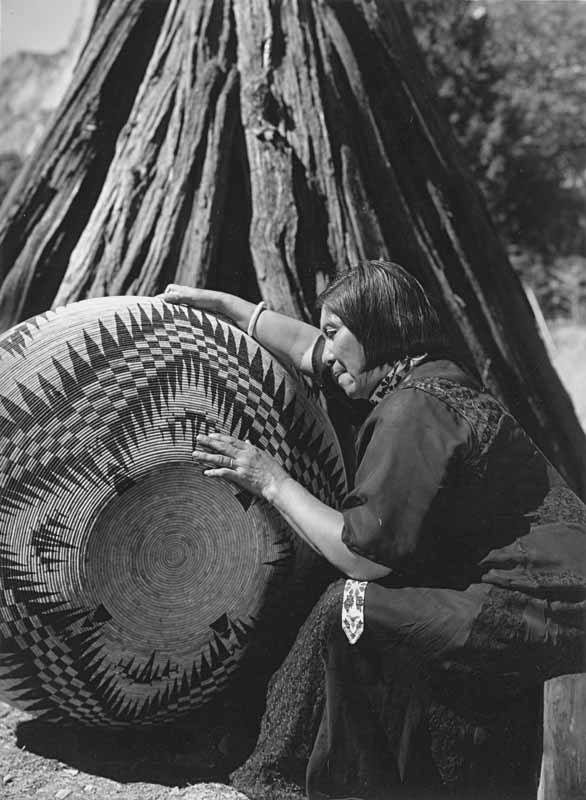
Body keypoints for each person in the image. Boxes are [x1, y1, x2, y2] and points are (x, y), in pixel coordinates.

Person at [162, 260, 586, 799]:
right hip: (554, 591)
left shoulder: (413, 411)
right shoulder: (430, 375)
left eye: (337, 331)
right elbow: (314, 351)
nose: (327, 351)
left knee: (348, 605)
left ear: (378, 329)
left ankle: (283, 778)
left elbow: (363, 556)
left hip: (539, 605)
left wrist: (271, 480)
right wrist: (231, 308)